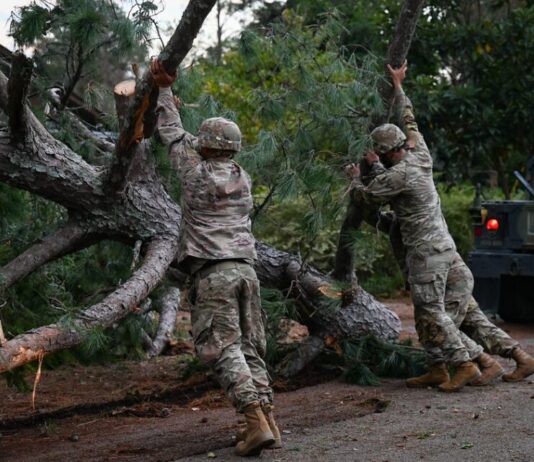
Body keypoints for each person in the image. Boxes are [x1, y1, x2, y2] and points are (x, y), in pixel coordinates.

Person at [346, 62, 534, 391]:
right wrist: (399, 85)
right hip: (447, 250)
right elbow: (410, 119)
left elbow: (370, 197)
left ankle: (471, 364)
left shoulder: (397, 174)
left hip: (427, 255)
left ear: (386, 154)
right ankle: (513, 357)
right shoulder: (421, 155)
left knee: (433, 314)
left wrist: (354, 179)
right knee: (468, 315)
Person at [151, 60, 281, 456]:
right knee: (250, 348)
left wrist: (162, 92)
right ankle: (268, 420)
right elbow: (199, 142)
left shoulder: (193, 173)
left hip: (214, 274)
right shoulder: (242, 176)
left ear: (204, 146)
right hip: (246, 270)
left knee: (221, 348)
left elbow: (172, 134)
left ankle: (254, 419)